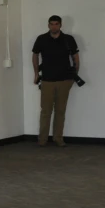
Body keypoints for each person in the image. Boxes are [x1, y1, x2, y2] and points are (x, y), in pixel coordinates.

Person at [31, 15, 80, 147]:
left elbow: (75, 57)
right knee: (45, 111)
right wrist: (36, 74)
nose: (54, 26)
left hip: (64, 80)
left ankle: (58, 138)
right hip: (47, 80)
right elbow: (35, 55)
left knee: (60, 111)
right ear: (48, 25)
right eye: (51, 24)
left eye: (56, 24)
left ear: (60, 25)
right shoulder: (41, 39)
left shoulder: (68, 39)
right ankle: (42, 140)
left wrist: (74, 75)